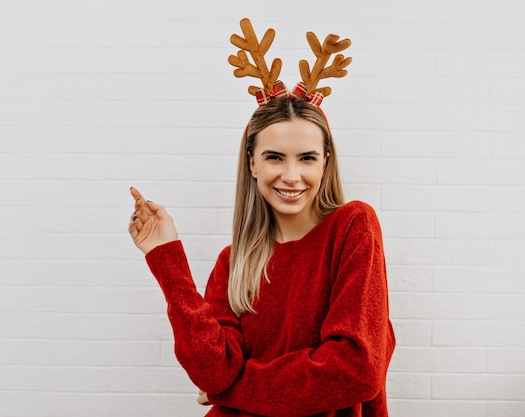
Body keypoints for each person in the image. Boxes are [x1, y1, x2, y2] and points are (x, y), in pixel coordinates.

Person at [128, 19, 395, 417]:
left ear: (326, 162)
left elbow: (356, 370)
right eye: (274, 157)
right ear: (252, 164)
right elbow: (211, 372)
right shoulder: (234, 261)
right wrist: (167, 258)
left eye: (306, 157)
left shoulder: (354, 227)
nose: (291, 175)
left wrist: (232, 390)